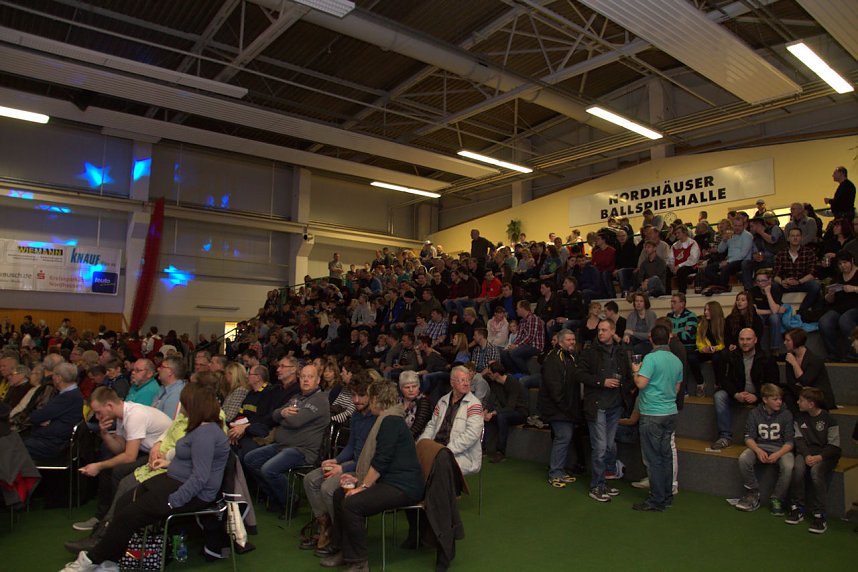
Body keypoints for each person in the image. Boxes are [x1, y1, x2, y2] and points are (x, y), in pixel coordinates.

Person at [61, 383, 230, 572]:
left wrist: (175, 501)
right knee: (124, 503)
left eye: (183, 404)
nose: (180, 408)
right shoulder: (200, 428)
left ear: (193, 406)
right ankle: (110, 561)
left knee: (128, 517)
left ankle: (90, 560)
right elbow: (189, 461)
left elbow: (200, 478)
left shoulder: (205, 434)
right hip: (175, 480)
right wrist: (168, 463)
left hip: (188, 491)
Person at [321, 382, 424, 572]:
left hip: (403, 486)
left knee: (352, 503)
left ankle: (359, 563)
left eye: (370, 398)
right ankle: (343, 549)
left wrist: (363, 486)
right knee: (339, 495)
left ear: (376, 400)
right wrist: (360, 482)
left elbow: (381, 461)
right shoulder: (388, 418)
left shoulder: (390, 420)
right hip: (391, 480)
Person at [243, 363, 331, 517]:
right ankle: (276, 496)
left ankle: (290, 501)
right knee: (250, 459)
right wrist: (283, 413)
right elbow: (274, 414)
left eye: (310, 377)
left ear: (318, 380)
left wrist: (283, 416)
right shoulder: (296, 397)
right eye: (303, 376)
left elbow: (295, 421)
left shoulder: (319, 400)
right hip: (283, 445)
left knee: (268, 469)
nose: (305, 380)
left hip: (302, 450)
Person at [301, 377, 375, 555]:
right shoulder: (357, 415)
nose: (356, 400)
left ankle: (339, 536)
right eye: (354, 395)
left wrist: (342, 469)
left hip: (367, 469)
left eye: (361, 396)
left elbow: (371, 458)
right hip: (352, 463)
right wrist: (336, 460)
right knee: (310, 480)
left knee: (327, 488)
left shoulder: (377, 418)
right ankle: (325, 526)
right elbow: (351, 446)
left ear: (372, 396)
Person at [578, 319, 634, 503]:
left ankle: (603, 482)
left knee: (609, 447)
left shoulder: (621, 351)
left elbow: (626, 375)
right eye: (599, 330)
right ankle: (596, 485)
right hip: (597, 406)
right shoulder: (589, 352)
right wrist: (602, 381)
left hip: (615, 405)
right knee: (600, 448)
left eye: (604, 330)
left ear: (612, 331)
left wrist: (629, 386)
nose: (600, 333)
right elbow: (579, 374)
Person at [630, 324, 683, 512]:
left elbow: (641, 383)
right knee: (666, 456)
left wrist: (636, 369)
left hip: (652, 413)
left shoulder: (651, 358)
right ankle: (667, 496)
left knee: (653, 459)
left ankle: (656, 499)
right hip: (670, 412)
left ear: (651, 339)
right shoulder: (676, 360)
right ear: (669, 338)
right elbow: (677, 389)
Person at [710, 328, 778, 451]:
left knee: (773, 399)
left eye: (748, 339)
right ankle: (725, 436)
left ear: (755, 340)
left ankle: (764, 440)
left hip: (760, 396)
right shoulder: (731, 356)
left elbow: (773, 383)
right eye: (742, 339)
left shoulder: (767, 358)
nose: (745, 342)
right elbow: (724, 379)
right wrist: (735, 394)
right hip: (738, 394)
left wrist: (758, 396)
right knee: (719, 396)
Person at [785, 387, 842, 534]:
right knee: (797, 468)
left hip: (825, 456)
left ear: (811, 404)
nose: (797, 402)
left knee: (816, 472)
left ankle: (820, 515)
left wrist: (819, 457)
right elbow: (799, 440)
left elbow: (834, 446)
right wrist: (806, 455)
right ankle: (797, 508)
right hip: (806, 454)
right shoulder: (799, 418)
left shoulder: (829, 420)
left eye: (801, 400)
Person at [734, 383, 794, 513]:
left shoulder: (786, 414)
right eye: (775, 399)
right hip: (760, 446)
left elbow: (790, 442)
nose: (779, 402)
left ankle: (777, 498)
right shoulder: (755, 413)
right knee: (744, 458)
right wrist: (757, 450)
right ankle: (753, 492)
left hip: (780, 449)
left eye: (780, 399)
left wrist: (778, 454)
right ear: (765, 400)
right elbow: (748, 437)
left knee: (788, 465)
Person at [419, 365, 484, 475]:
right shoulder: (442, 401)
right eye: (462, 380)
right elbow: (432, 425)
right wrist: (423, 443)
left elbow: (472, 435)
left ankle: (443, 492)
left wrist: (447, 450)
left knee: (439, 465)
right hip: (437, 448)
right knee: (417, 461)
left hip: (462, 454)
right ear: (452, 383)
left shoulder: (475, 405)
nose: (466, 383)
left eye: (468, 380)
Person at [538, 328, 580, 488]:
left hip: (567, 407)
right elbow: (554, 387)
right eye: (569, 340)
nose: (572, 342)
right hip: (557, 408)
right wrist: (565, 407)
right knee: (563, 437)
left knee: (565, 438)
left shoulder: (571, 357)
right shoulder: (554, 359)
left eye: (573, 339)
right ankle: (555, 472)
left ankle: (560, 471)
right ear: (560, 341)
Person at [23, 362, 83, 461]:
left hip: (53, 444)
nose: (52, 377)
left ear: (59, 378)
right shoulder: (71, 394)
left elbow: (36, 417)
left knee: (10, 446)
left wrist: (46, 420)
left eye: (54, 375)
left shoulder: (68, 397)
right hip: (52, 439)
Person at [782, 328, 837, 413]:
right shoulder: (790, 357)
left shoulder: (815, 360)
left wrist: (795, 364)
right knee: (786, 395)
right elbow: (791, 382)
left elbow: (805, 381)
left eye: (788, 340)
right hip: (799, 393)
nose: (784, 343)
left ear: (796, 341)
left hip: (817, 395)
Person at [817, 251, 858, 361]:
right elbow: (830, 301)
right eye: (840, 264)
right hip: (839, 307)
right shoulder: (838, 276)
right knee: (824, 321)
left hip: (855, 307)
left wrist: (854, 289)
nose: (843, 266)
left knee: (845, 320)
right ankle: (833, 353)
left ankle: (853, 353)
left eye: (845, 263)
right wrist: (830, 295)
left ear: (852, 261)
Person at [482, 362, 527, 463]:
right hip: (504, 412)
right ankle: (482, 448)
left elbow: (511, 407)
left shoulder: (513, 383)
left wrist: (493, 413)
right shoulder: (495, 383)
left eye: (490, 373)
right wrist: (485, 411)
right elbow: (491, 399)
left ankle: (500, 452)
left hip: (519, 412)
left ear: (496, 374)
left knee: (501, 417)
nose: (488, 375)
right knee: (486, 417)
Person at [773, 227, 820, 314]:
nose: (795, 238)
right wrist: (782, 281)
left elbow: (812, 273)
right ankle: (781, 310)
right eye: (792, 236)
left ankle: (802, 311)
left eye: (797, 236)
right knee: (774, 286)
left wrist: (799, 281)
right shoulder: (781, 254)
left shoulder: (809, 252)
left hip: (802, 283)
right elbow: (775, 275)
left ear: (801, 238)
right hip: (785, 284)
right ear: (788, 238)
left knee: (815, 286)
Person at [687, 301, 726, 398]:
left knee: (718, 358)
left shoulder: (723, 324)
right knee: (691, 357)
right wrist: (702, 349)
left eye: (708, 310)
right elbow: (699, 341)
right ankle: (700, 383)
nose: (705, 312)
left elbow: (724, 343)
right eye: (705, 310)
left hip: (718, 350)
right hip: (705, 351)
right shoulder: (702, 324)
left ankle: (718, 384)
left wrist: (714, 348)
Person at [500, 300, 545, 374]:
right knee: (504, 353)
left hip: (535, 346)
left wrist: (517, 346)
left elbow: (530, 337)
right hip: (525, 345)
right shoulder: (522, 321)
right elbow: (519, 336)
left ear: (522, 308)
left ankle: (526, 373)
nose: (516, 310)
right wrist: (513, 345)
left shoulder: (533, 318)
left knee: (514, 352)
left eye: (517, 308)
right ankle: (515, 373)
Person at [398, 371, 432, 440]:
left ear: (419, 386)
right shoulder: (397, 401)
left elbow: (416, 429)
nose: (411, 390)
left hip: (414, 441)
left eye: (414, 386)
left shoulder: (424, 402)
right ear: (401, 388)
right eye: (407, 387)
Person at [668, 225, 700, 294]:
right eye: (676, 233)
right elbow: (671, 259)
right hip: (676, 267)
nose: (677, 235)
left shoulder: (692, 243)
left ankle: (682, 293)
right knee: (666, 271)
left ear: (685, 233)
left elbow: (693, 259)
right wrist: (672, 267)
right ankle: (667, 293)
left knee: (682, 270)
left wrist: (679, 266)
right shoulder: (674, 245)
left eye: (678, 233)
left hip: (691, 266)